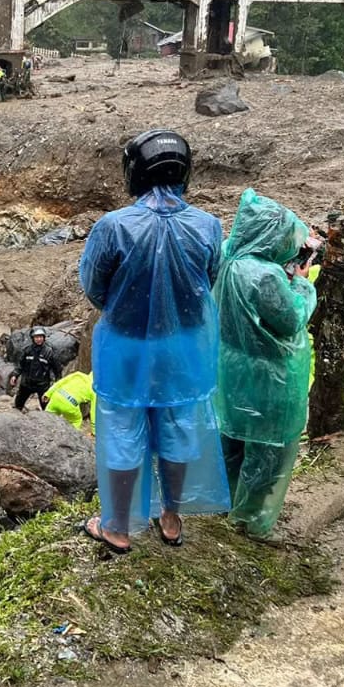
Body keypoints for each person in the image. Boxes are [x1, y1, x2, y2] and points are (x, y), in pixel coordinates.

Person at [78, 129, 230, 552]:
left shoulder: (113, 227)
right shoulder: (208, 226)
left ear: (135, 173)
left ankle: (118, 527)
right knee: (179, 426)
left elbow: (94, 286)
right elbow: (207, 282)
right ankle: (171, 517)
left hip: (125, 345)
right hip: (182, 346)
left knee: (123, 430)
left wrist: (129, 307)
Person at [214, 189, 318, 539]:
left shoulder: (227, 258)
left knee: (232, 442)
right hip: (270, 378)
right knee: (267, 453)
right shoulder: (265, 275)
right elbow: (290, 320)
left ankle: (222, 505)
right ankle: (251, 521)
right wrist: (303, 286)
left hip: (232, 372)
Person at [10, 327, 62, 411]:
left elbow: (57, 369)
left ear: (44, 338)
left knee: (46, 407)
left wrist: (57, 382)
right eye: (36, 337)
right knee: (18, 404)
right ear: (32, 338)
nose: (39, 339)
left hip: (42, 384)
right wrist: (14, 375)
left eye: (41, 337)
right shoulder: (27, 350)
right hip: (26, 383)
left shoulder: (49, 352)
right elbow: (20, 365)